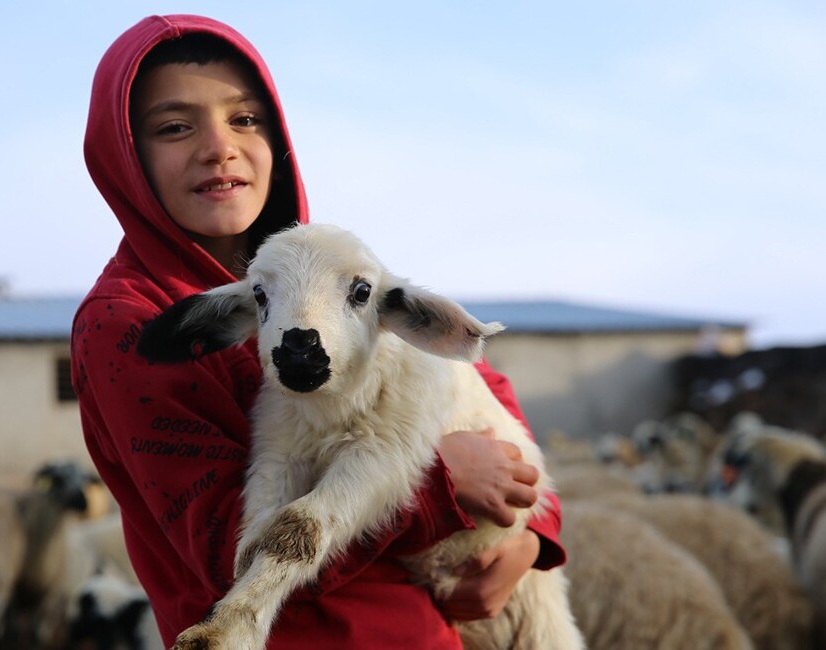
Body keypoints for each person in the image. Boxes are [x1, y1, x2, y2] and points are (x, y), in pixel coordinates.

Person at [71, 14, 565, 649]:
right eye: (174, 127)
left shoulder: (332, 268)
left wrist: (531, 538)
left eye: (245, 119)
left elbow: (480, 389)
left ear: (277, 137)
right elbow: (227, 546)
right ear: (125, 154)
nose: (219, 146)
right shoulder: (128, 324)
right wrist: (438, 486)